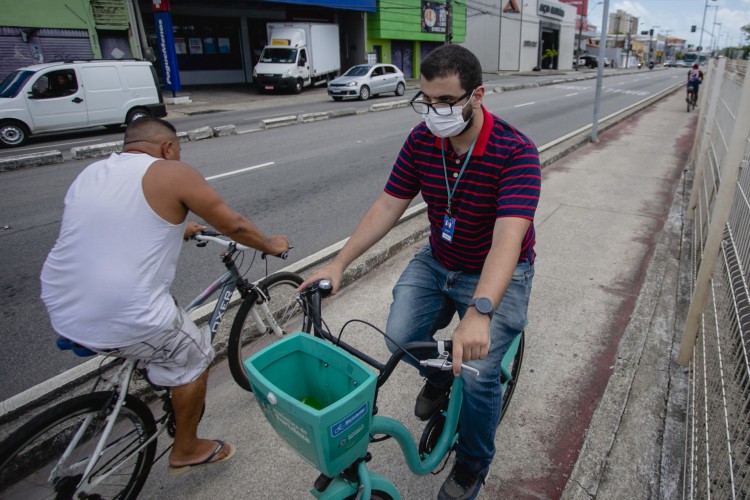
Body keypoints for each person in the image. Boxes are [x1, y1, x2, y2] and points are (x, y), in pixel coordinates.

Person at [299, 44, 540, 499]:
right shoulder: (421, 140)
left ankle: (471, 465)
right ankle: (439, 375)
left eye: (447, 102)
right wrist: (339, 262)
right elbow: (389, 204)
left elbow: (508, 240)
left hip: (494, 270)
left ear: (478, 95)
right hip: (438, 259)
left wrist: (481, 311)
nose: (435, 112)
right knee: (397, 338)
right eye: (426, 101)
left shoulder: (517, 152)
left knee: (479, 373)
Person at [41, 117, 289, 476]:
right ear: (168, 148)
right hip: (122, 313)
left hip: (62, 304)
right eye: (178, 151)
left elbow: (111, 221)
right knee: (197, 355)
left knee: (159, 334)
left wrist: (178, 224)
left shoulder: (91, 173)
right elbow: (233, 225)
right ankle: (187, 448)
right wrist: (271, 244)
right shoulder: (170, 172)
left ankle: (154, 372)